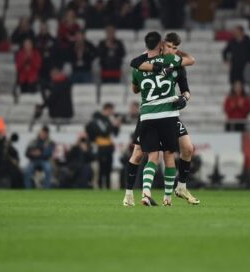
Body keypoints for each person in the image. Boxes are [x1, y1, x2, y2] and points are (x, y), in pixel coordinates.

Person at [125, 32, 199, 206]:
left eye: (176, 48)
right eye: (170, 47)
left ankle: (178, 188)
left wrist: (185, 99)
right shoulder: (162, 62)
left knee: (186, 148)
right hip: (159, 112)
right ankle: (132, 195)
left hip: (167, 111)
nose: (172, 50)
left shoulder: (166, 64)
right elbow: (191, 59)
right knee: (142, 154)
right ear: (161, 45)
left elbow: (185, 89)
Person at [85, 103, 120, 189]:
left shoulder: (108, 120)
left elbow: (115, 133)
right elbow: (102, 131)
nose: (112, 112)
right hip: (101, 147)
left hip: (108, 147)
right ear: (106, 109)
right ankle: (100, 186)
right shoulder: (98, 119)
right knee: (101, 169)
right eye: (110, 110)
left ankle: (108, 187)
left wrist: (117, 126)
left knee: (108, 168)